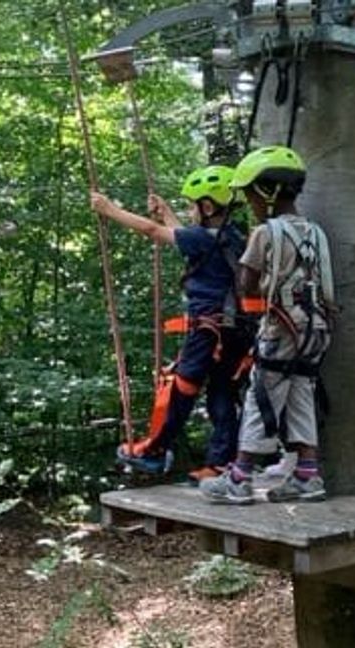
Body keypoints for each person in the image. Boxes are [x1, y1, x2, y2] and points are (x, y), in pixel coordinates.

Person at [90, 166, 254, 481]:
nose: (190, 212)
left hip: (208, 330)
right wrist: (167, 213)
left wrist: (109, 210)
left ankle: (154, 449)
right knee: (222, 393)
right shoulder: (232, 237)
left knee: (181, 387)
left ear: (207, 207)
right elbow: (184, 238)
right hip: (235, 328)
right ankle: (221, 463)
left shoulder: (202, 238)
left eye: (193, 206)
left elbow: (153, 232)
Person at [199, 145, 334, 504]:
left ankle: (239, 478)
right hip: (317, 328)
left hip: (282, 327)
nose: (250, 204)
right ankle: (308, 475)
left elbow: (246, 283)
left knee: (261, 396)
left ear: (266, 192)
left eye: (250, 196)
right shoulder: (316, 232)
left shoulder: (265, 232)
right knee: (301, 392)